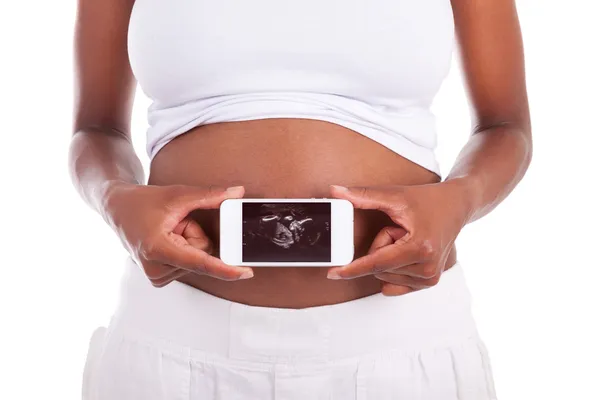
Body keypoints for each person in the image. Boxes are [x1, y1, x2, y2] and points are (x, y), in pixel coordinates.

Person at [71, 0, 531, 398]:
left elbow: (505, 127)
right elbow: (96, 130)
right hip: (173, 340)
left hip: (398, 340)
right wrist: (116, 199)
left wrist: (461, 199)